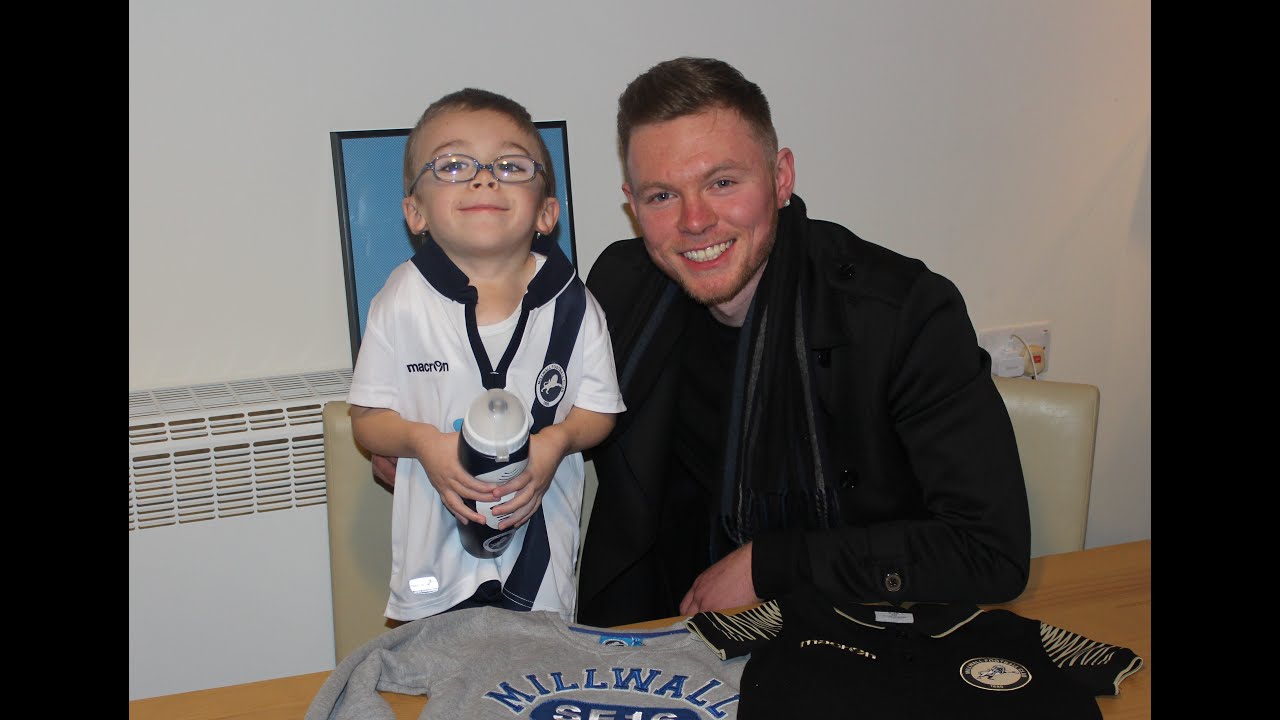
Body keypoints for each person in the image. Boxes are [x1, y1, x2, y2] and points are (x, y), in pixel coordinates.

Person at [574, 57, 1031, 627]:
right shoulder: (621, 289)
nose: (694, 221)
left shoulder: (901, 315)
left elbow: (992, 551)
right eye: (663, 195)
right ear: (632, 203)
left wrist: (775, 565)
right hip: (662, 633)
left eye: (721, 183)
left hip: (855, 633)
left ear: (781, 177)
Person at [348, 88, 624, 624]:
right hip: (435, 559)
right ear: (415, 212)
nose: (484, 177)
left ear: (547, 212)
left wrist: (557, 441)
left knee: (535, 681)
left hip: (540, 554)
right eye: (452, 164)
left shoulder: (574, 304)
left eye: (510, 165)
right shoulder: (400, 301)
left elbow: (600, 410)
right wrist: (423, 443)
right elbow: (368, 423)